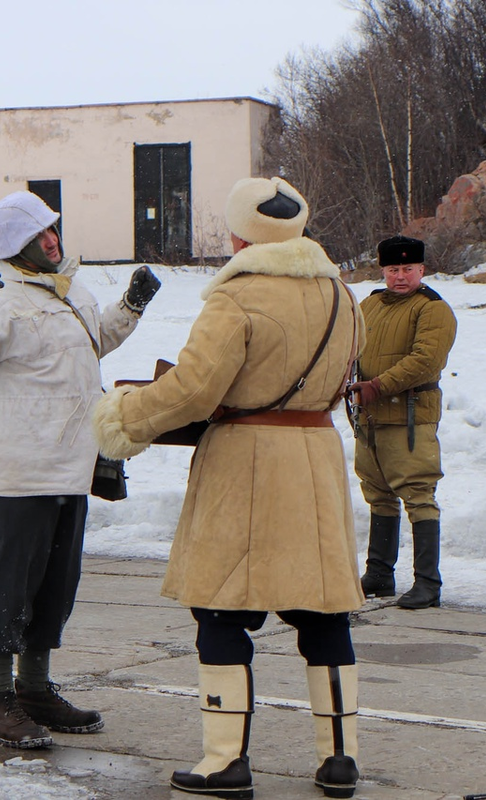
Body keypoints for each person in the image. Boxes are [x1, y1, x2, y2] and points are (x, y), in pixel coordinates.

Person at [93, 177, 365, 798]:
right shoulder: (342, 295)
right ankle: (339, 758)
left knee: (220, 608)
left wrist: (125, 414)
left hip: (246, 462)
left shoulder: (235, 298)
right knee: (322, 611)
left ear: (242, 234)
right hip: (316, 460)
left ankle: (225, 761)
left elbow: (194, 389)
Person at [0, 191, 160, 750]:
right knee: (8, 592)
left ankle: (34, 689)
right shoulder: (6, 301)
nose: (53, 239)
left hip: (72, 468)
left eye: (53, 229)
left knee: (55, 589)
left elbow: (92, 345)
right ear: (18, 245)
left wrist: (129, 308)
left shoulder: (70, 291)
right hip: (21, 473)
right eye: (42, 234)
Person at [350, 235, 457, 610]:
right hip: (370, 418)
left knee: (418, 494)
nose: (399, 276)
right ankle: (379, 573)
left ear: (422, 270)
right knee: (377, 493)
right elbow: (351, 346)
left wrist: (377, 386)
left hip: (410, 417)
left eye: (407, 269)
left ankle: (428, 583)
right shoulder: (371, 304)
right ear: (383, 269)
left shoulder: (432, 309)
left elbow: (425, 360)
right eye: (393, 269)